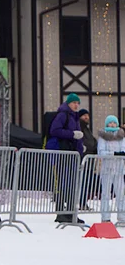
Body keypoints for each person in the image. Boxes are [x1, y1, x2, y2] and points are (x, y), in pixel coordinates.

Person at [46, 93, 84, 224]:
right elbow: (54, 131)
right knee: (63, 183)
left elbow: (77, 138)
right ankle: (61, 211)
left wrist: (80, 150)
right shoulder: (63, 115)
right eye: (74, 102)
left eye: (78, 103)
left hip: (71, 154)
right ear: (68, 103)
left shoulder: (74, 117)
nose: (76, 105)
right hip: (62, 154)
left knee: (71, 184)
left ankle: (70, 212)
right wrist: (72, 134)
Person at [96, 115, 125, 224]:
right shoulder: (103, 137)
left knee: (120, 193)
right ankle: (105, 217)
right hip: (107, 168)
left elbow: (123, 150)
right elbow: (101, 152)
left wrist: (120, 154)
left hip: (119, 169)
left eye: (114, 123)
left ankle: (122, 217)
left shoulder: (121, 137)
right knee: (106, 193)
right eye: (110, 123)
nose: (112, 125)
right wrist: (113, 154)